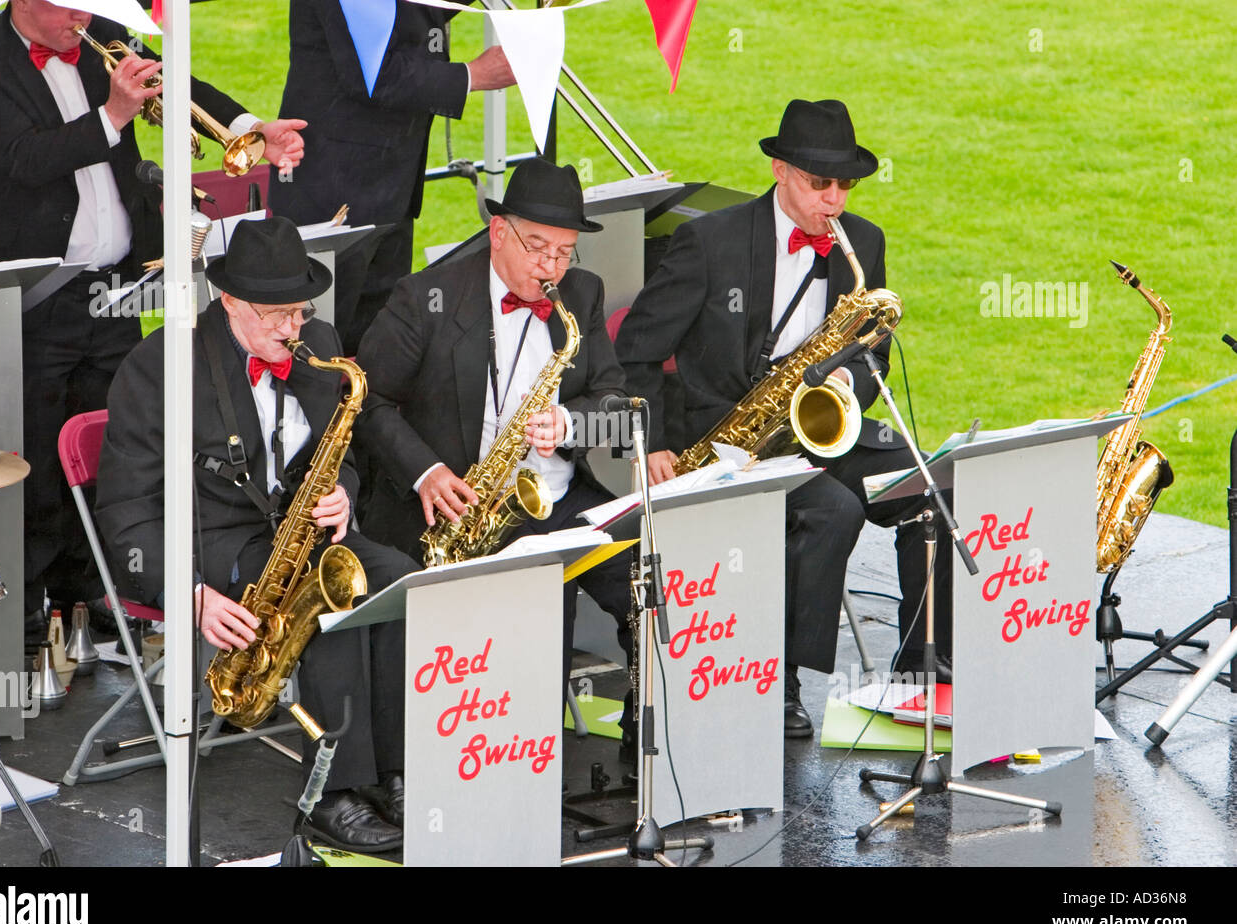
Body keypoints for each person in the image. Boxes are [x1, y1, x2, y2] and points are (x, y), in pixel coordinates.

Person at [0, 0, 308, 646]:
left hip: (117, 289)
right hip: (35, 295)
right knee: (33, 454)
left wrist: (250, 126)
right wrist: (113, 115)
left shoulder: (100, 39)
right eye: (71, 7)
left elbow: (181, 83)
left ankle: (103, 589)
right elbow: (25, 159)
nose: (84, 18)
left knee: (120, 448)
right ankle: (33, 611)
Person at [612, 99, 955, 738]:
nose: (835, 200)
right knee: (832, 510)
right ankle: (779, 679)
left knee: (933, 486)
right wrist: (651, 441)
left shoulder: (864, 243)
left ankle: (924, 672)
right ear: (779, 170)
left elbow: (869, 352)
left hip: (819, 426)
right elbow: (633, 352)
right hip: (725, 441)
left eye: (845, 185)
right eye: (819, 183)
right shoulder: (706, 243)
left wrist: (844, 381)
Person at [96, 217, 417, 853]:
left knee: (400, 581)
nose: (293, 330)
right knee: (318, 598)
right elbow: (126, 511)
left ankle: (396, 769)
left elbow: (343, 450)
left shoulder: (317, 341)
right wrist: (189, 594)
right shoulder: (160, 364)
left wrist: (343, 494)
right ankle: (334, 794)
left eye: (299, 312)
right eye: (275, 316)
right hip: (211, 539)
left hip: (298, 532)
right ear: (230, 301)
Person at [356, 157, 632, 697]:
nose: (551, 267)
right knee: (542, 593)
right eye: (537, 248)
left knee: (649, 584)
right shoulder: (424, 299)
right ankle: (521, 751)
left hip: (558, 498)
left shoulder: (582, 293)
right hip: (463, 503)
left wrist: (572, 423)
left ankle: (639, 741)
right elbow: (369, 402)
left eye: (564, 252)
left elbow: (616, 403)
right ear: (499, 231)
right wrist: (426, 472)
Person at [269, 0, 517, 354]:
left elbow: (412, 11)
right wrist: (471, 75)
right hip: (334, 193)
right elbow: (373, 72)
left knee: (378, 350)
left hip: (392, 186)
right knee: (314, 349)